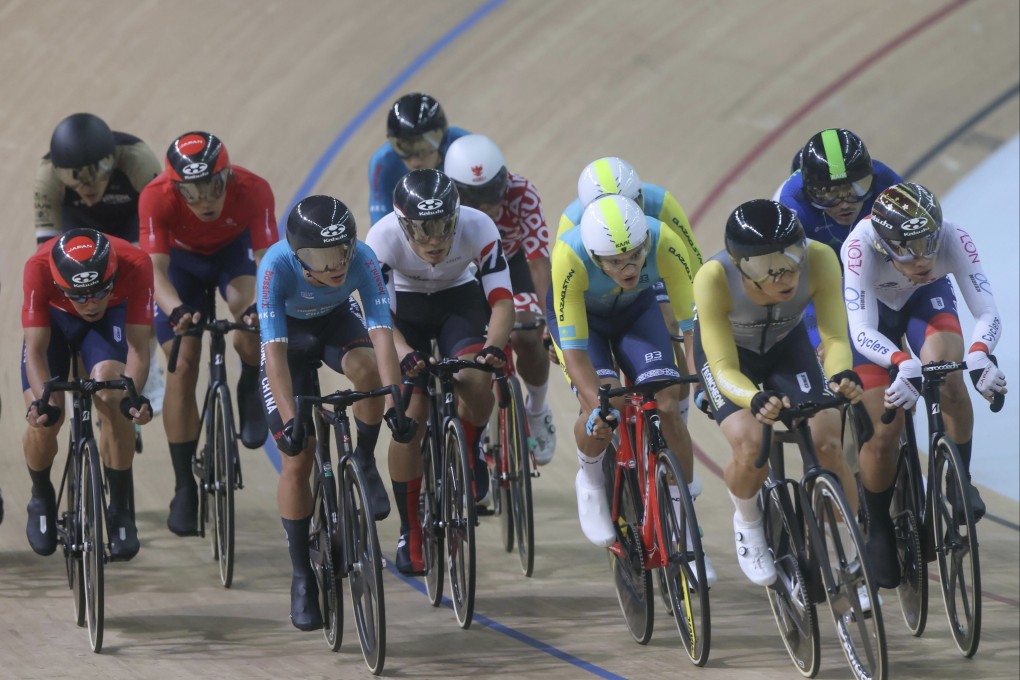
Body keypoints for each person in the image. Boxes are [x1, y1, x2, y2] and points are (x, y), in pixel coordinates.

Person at [257, 194, 415, 631]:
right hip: (288, 337)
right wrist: (290, 421)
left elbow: (382, 335)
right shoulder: (274, 267)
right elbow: (273, 354)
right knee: (297, 457)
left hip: (334, 322)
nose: (334, 267)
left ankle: (362, 459)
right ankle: (301, 574)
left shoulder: (362, 260)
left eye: (340, 252)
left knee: (366, 369)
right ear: (297, 256)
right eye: (320, 259)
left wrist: (394, 401)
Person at [841, 182, 1005, 588]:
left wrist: (981, 353)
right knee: (886, 426)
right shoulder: (858, 248)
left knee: (949, 377)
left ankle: (957, 478)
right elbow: (861, 331)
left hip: (923, 302)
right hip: (875, 317)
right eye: (906, 250)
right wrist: (900, 362)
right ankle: (878, 525)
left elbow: (987, 310)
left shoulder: (954, 237)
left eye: (928, 244)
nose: (922, 260)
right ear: (883, 244)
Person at [692, 199, 863, 588]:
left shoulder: (820, 259)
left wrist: (841, 375)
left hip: (788, 345)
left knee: (828, 444)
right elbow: (723, 369)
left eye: (792, 265)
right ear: (743, 268)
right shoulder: (713, 278)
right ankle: (748, 522)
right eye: (773, 273)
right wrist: (752, 397)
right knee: (751, 446)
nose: (787, 280)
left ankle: (854, 561)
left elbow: (835, 336)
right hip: (733, 359)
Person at [548, 193, 716, 584]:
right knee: (609, 405)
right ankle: (590, 478)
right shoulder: (569, 257)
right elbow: (574, 355)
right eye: (616, 262)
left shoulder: (664, 240)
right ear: (594, 255)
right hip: (585, 325)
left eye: (637, 255)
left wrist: (704, 382)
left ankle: (684, 524)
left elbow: (693, 330)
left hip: (636, 312)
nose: (630, 266)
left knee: (669, 403)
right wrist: (597, 405)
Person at [365, 168, 514, 575]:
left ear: (456, 216)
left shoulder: (479, 225)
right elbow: (377, 318)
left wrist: (492, 349)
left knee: (475, 376)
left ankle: (468, 451)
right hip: (403, 314)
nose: (433, 242)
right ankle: (410, 528)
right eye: (421, 231)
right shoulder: (380, 239)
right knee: (409, 420)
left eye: (442, 229)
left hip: (457, 301)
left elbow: (501, 302)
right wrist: (405, 352)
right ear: (402, 225)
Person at [139, 131, 276, 537]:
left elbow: (268, 260)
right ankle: (185, 486)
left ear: (227, 177)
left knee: (249, 317)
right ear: (176, 188)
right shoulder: (156, 196)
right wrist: (176, 310)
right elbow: (155, 270)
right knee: (183, 363)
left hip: (233, 256)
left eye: (212, 189)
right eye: (191, 194)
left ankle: (250, 380)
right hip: (180, 265)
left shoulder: (253, 190)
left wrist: (257, 311)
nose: (203, 202)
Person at [21, 229, 154, 560]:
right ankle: (40, 494)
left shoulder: (136, 264)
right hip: (54, 321)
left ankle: (120, 507)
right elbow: (35, 351)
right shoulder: (37, 267)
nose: (91, 303)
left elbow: (139, 346)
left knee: (114, 395)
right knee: (46, 415)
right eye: (79, 296)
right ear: (61, 283)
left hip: (113, 319)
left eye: (99, 292)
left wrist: (132, 398)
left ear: (113, 275)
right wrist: (41, 401)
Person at [35, 112, 166, 412]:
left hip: (129, 226)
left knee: (149, 275)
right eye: (75, 179)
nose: (87, 185)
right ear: (59, 173)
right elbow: (45, 257)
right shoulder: (47, 177)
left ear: (113, 160)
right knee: (69, 288)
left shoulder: (138, 159)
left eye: (96, 174)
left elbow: (160, 233)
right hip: (76, 233)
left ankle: (148, 361)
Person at [443, 134, 557, 464]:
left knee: (526, 333)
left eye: (494, 192)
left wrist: (549, 320)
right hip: (464, 274)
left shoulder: (523, 193)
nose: (488, 206)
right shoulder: (443, 204)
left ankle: (536, 407)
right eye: (473, 198)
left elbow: (538, 262)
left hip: (511, 266)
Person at [777, 128, 904, 348]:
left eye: (856, 188)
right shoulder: (791, 201)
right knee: (830, 350)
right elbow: (799, 280)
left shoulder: (886, 181)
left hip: (878, 272)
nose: (844, 204)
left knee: (893, 337)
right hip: (826, 278)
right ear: (809, 193)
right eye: (827, 193)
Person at [367, 92, 470, 225]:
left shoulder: (463, 146)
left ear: (441, 139)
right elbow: (380, 224)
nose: (415, 161)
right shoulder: (383, 163)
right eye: (404, 148)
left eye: (423, 149)